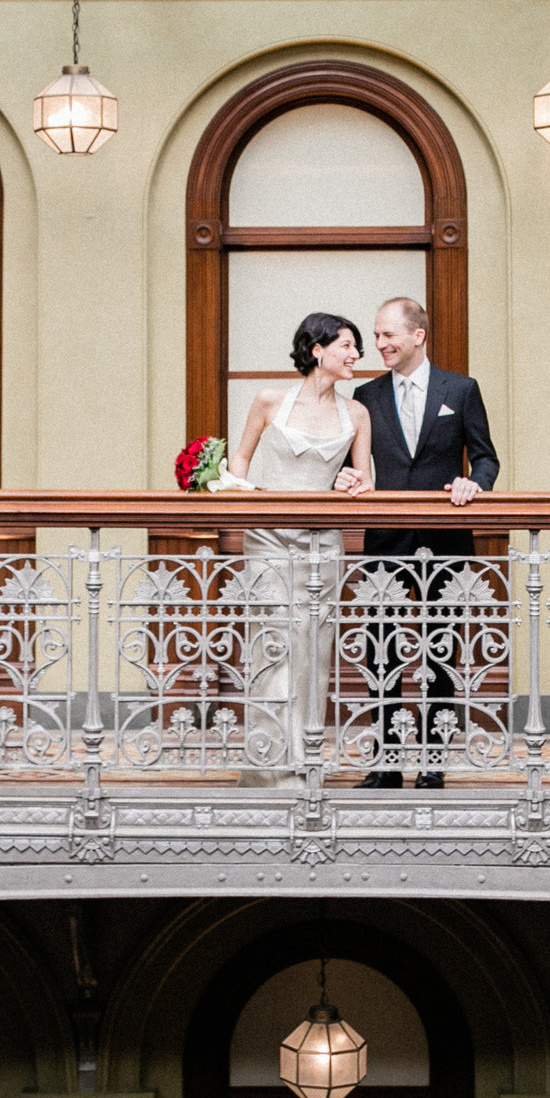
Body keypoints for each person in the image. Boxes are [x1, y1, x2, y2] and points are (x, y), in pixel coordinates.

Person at [347, 296, 499, 790]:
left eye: (388, 335)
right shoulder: (365, 397)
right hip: (387, 540)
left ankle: (434, 760)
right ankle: (386, 761)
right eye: (376, 335)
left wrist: (474, 483)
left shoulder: (462, 388)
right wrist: (346, 481)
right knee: (382, 650)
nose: (380, 344)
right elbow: (352, 465)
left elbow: (486, 458)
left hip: (445, 538)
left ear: (419, 335)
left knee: (440, 652)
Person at [222, 311, 374, 789]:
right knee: (273, 644)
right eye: (347, 345)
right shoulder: (269, 400)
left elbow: (367, 481)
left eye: (356, 347)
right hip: (266, 537)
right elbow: (240, 459)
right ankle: (267, 764)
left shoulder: (356, 413)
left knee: (312, 648)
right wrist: (235, 491)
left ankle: (306, 760)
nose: (355, 355)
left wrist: (352, 480)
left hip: (322, 541)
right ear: (317, 350)